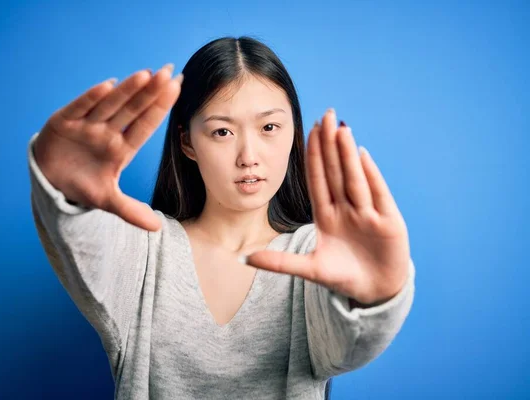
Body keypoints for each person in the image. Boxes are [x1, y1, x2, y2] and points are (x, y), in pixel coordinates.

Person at [28, 36, 415, 399]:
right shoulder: (144, 249)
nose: (249, 155)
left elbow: (348, 347)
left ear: (293, 132)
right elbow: (81, 237)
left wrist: (377, 298)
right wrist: (61, 187)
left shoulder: (314, 256)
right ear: (187, 142)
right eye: (222, 132)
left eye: (268, 127)